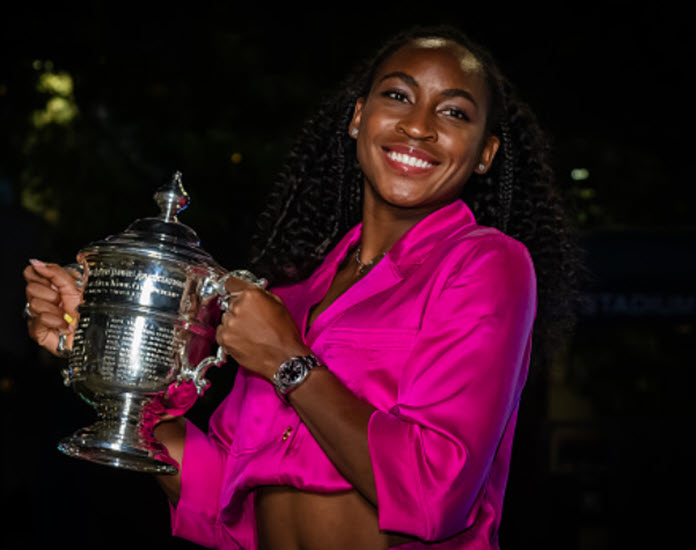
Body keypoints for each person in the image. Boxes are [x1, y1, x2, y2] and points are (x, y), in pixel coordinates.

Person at [23, 26, 580, 550]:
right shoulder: (292, 297)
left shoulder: (485, 264)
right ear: (358, 118)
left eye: (454, 111)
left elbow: (436, 491)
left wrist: (289, 362)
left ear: (485, 153)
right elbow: (222, 502)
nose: (419, 126)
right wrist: (106, 345)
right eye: (398, 96)